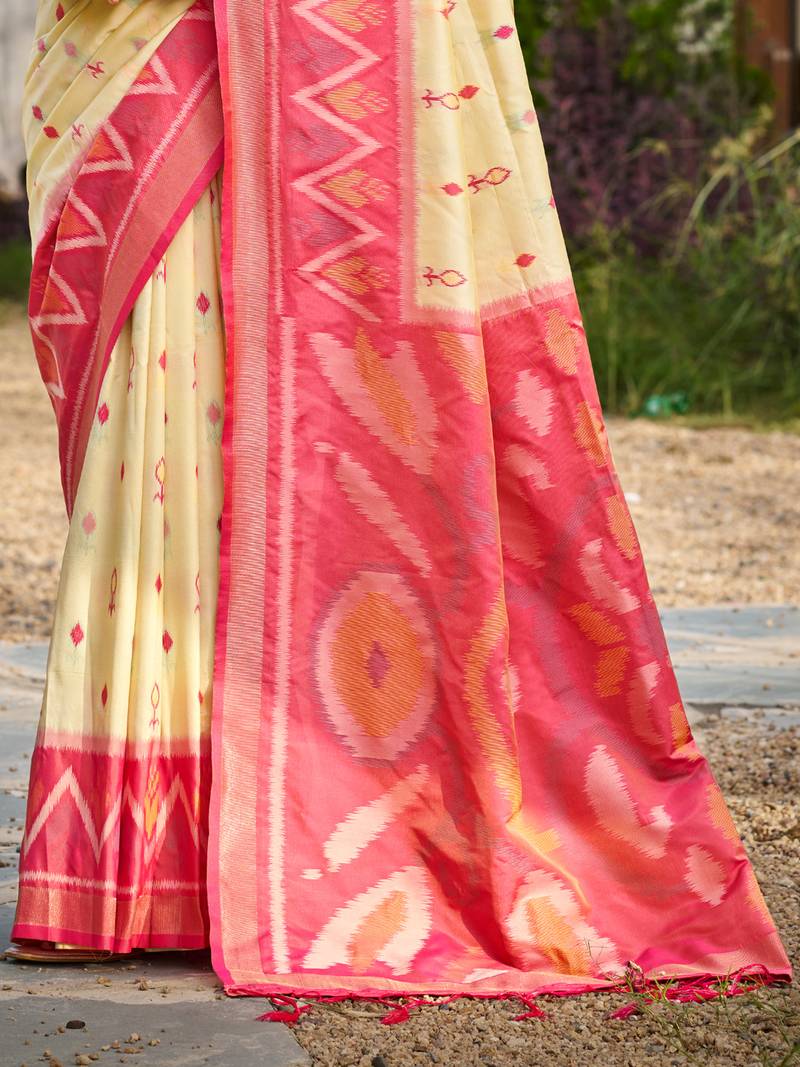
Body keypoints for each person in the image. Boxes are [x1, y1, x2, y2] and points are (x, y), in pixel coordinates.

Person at [5, 0, 791, 1012]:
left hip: (328, 65)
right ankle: (139, 860)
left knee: (229, 429)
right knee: (157, 427)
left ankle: (193, 859)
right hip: (161, 57)